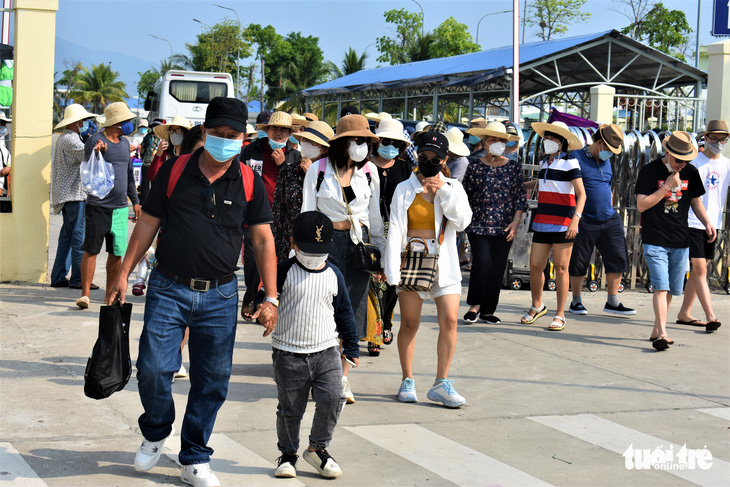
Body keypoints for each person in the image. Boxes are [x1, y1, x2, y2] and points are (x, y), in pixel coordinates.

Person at [107, 97, 279, 487]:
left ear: (243, 138)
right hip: (168, 287)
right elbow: (148, 223)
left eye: (232, 136)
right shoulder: (175, 169)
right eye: (217, 134)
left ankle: (195, 456)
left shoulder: (249, 182)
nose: (224, 141)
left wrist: (271, 297)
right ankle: (156, 431)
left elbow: (264, 241)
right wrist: (123, 274)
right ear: (205, 134)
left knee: (213, 380)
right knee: (152, 368)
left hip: (220, 296)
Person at [301, 114, 386, 404]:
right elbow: (307, 211)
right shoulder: (319, 170)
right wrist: (300, 251)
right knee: (322, 309)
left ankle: (343, 377)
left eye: (365, 141)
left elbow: (374, 217)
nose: (362, 146)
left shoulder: (370, 172)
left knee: (354, 307)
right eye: (357, 140)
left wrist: (382, 255)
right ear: (342, 143)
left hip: (358, 243)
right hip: (326, 241)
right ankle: (321, 375)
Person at [269, 211, 359, 480]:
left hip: (326, 350)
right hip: (288, 352)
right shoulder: (282, 271)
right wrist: (262, 309)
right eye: (308, 248)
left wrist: (351, 347)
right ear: (293, 243)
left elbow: (344, 312)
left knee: (334, 398)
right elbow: (266, 299)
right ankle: (287, 455)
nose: (315, 255)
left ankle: (318, 448)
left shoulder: (334, 274)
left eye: (321, 250)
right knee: (290, 409)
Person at [385, 132, 472, 408]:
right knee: (410, 323)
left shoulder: (453, 186)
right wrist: (391, 272)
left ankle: (441, 382)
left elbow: (462, 222)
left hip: (444, 263)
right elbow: (396, 228)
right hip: (413, 260)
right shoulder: (404, 187)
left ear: (445, 159)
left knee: (450, 321)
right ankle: (407, 378)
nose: (429, 162)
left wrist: (442, 191)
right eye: (424, 157)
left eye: (435, 159)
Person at [635, 131, 716, 351]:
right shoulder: (649, 171)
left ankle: (656, 328)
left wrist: (707, 222)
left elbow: (696, 201)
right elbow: (641, 205)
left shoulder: (691, 171)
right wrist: (666, 188)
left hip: (681, 239)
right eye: (679, 159)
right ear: (668, 153)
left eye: (686, 159)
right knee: (660, 286)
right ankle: (662, 333)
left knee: (671, 289)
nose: (682, 164)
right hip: (655, 238)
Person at [520, 121, 586, 331]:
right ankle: (537, 305)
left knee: (561, 268)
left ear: (562, 142)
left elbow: (582, 194)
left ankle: (560, 314)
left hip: (563, 223)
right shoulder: (544, 162)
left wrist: (575, 219)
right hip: (542, 221)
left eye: (553, 138)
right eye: (547, 137)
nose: (548, 141)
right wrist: (521, 186)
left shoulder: (571, 162)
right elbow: (544, 182)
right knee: (535, 266)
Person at [76, 102, 141, 309]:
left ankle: (108, 295)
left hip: (121, 207)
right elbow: (89, 167)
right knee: (92, 249)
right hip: (98, 206)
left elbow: (129, 175)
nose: (130, 124)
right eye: (127, 121)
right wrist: (98, 152)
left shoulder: (124, 143)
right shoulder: (96, 140)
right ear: (117, 123)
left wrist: (136, 201)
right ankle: (85, 294)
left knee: (116, 252)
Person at [462, 122, 527, 324]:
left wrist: (516, 222)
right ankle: (474, 306)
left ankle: (488, 310)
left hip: (505, 227)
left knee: (497, 268)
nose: (497, 143)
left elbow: (520, 198)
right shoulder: (474, 167)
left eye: (501, 140)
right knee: (483, 263)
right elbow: (464, 196)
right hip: (478, 226)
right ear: (484, 142)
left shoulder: (513, 167)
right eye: (493, 140)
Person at [568, 124, 636, 317]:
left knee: (618, 256)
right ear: (599, 143)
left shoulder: (606, 162)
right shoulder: (576, 158)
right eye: (609, 149)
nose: (610, 154)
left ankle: (613, 301)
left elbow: (607, 185)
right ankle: (576, 301)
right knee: (579, 260)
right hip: (584, 218)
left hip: (608, 216)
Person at [240, 111, 300, 319]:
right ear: (267, 130)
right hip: (253, 215)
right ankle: (250, 296)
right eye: (275, 128)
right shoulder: (251, 150)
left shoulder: (295, 156)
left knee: (277, 263)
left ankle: (264, 304)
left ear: (289, 133)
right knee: (252, 262)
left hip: (281, 220)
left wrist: (283, 165)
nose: (279, 133)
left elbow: (294, 189)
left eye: (284, 130)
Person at [676, 120, 728, 331]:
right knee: (699, 268)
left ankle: (684, 313)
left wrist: (712, 222)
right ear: (705, 138)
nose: (718, 142)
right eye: (714, 138)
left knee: (702, 269)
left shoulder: (726, 164)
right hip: (691, 220)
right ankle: (711, 315)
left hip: (713, 223)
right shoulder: (694, 163)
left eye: (723, 139)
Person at [370, 119, 414, 348]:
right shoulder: (365, 166)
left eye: (395, 143)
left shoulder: (405, 167)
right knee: (373, 279)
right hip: (370, 229)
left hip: (397, 230)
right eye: (385, 141)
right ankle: (373, 330)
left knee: (391, 281)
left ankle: (386, 321)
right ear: (377, 142)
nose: (390, 146)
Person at [50, 104, 97, 289]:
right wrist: (96, 140)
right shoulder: (71, 140)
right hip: (74, 195)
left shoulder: (66, 138)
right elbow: (88, 154)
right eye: (84, 121)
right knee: (79, 238)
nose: (85, 124)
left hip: (67, 195)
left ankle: (59, 276)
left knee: (67, 237)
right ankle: (79, 278)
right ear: (77, 122)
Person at [272, 120, 333, 261]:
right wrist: (274, 244)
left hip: (320, 242)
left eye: (312, 142)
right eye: (304, 140)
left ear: (324, 149)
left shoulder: (331, 175)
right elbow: (278, 212)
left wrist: (312, 175)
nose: (305, 144)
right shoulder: (288, 172)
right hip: (290, 243)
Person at [148, 115, 193, 182]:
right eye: (171, 130)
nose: (174, 134)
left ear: (185, 133)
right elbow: (152, 177)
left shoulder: (191, 155)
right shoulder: (165, 154)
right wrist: (158, 156)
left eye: (178, 130)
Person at [138, 119, 163, 204]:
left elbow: (142, 148)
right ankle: (153, 202)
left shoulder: (148, 137)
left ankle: (144, 202)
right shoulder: (162, 138)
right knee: (154, 184)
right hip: (156, 164)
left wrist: (142, 155)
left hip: (148, 162)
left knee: (146, 183)